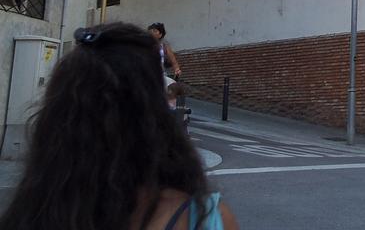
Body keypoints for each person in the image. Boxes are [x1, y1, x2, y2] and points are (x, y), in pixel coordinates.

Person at [0, 22, 239, 230]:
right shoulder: (201, 219)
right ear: (154, 114)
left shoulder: (31, 210)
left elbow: (173, 62)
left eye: (155, 30)